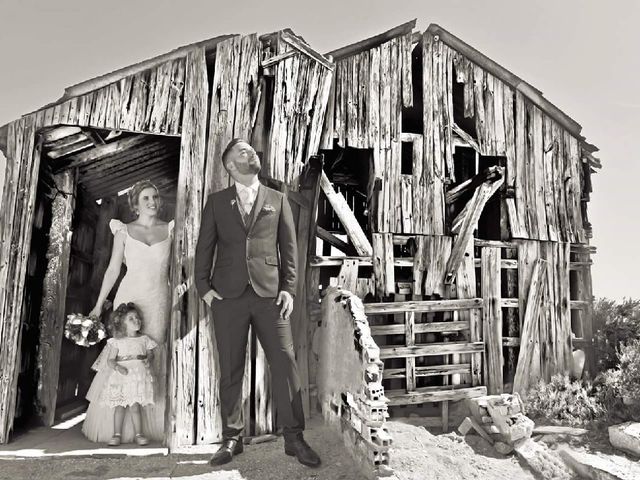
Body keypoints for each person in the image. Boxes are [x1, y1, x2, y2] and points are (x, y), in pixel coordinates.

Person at [194, 138, 321, 468]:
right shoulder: (217, 202)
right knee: (231, 370)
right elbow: (204, 247)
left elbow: (289, 250)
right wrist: (204, 288)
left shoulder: (277, 200)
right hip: (228, 297)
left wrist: (290, 289)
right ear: (230, 166)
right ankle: (231, 438)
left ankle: (294, 438)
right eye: (242, 151)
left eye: (251, 149)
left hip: (270, 295)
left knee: (285, 364)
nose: (251, 153)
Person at [83, 179, 175, 444]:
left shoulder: (170, 229)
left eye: (155, 197)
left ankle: (151, 426)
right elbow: (113, 269)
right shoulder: (123, 230)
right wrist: (100, 303)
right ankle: (116, 429)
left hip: (158, 297)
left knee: (151, 355)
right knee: (123, 355)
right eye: (145, 198)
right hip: (129, 296)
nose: (152, 202)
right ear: (135, 204)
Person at [101, 302, 157, 446]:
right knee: (119, 406)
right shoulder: (117, 341)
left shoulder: (144, 339)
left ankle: (139, 434)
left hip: (137, 377)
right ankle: (116, 434)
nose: (136, 320)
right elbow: (110, 361)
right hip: (122, 376)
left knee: (135, 406)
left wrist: (148, 360)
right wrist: (118, 368)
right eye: (131, 319)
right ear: (121, 323)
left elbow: (151, 354)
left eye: (137, 317)